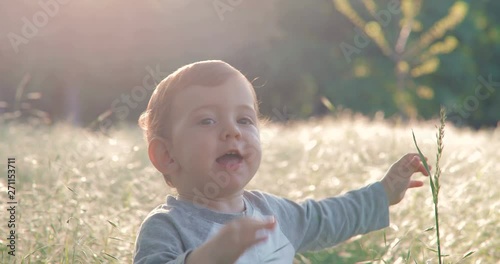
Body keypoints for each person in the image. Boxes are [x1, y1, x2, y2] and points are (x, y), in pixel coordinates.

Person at [133, 60, 430, 264]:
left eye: (244, 119)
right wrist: (207, 258)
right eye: (207, 120)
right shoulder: (166, 226)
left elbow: (328, 217)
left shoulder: (271, 214)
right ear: (166, 156)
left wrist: (383, 193)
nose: (232, 131)